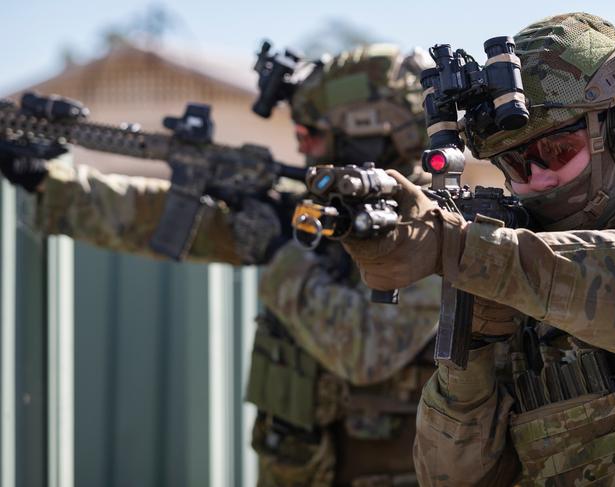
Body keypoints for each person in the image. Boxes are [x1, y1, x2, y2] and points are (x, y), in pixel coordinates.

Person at [1, 45, 441, 486]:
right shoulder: (317, 214)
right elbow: (168, 220)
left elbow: (366, 349)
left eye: (312, 133)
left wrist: (280, 255)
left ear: (369, 135)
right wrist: (49, 183)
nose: (301, 146)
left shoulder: (439, 236)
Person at [342, 13, 615, 486]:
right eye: (516, 163)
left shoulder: (506, 262)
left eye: (557, 151)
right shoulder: (512, 268)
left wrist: (458, 248)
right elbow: (454, 479)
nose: (538, 178)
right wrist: (470, 360)